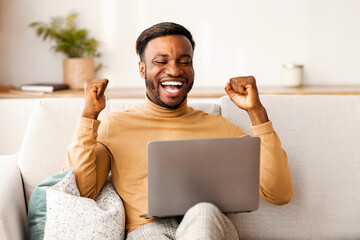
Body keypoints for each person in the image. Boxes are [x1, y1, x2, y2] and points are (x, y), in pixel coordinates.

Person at [64, 22, 293, 240]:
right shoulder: (114, 126)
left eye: (185, 61)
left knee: (203, 211)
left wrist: (256, 111)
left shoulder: (219, 126)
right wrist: (89, 116)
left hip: (207, 226)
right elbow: (83, 192)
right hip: (147, 230)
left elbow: (279, 194)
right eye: (161, 61)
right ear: (142, 69)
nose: (174, 70)